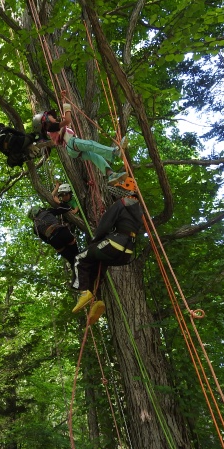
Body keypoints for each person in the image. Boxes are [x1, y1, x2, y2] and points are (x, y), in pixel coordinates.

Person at [71, 177, 143, 324]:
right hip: (126, 254)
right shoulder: (140, 210)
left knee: (80, 258)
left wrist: (95, 239)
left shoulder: (121, 203)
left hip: (113, 243)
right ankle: (96, 300)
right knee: (98, 265)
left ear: (124, 190)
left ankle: (84, 292)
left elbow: (105, 225)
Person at [32, 93, 127, 185]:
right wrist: (66, 106)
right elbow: (68, 120)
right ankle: (114, 152)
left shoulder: (53, 129)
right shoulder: (51, 128)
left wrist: (64, 99)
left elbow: (67, 124)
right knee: (91, 144)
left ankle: (110, 174)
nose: (54, 117)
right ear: (46, 121)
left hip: (72, 150)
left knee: (95, 156)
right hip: (71, 143)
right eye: (51, 116)